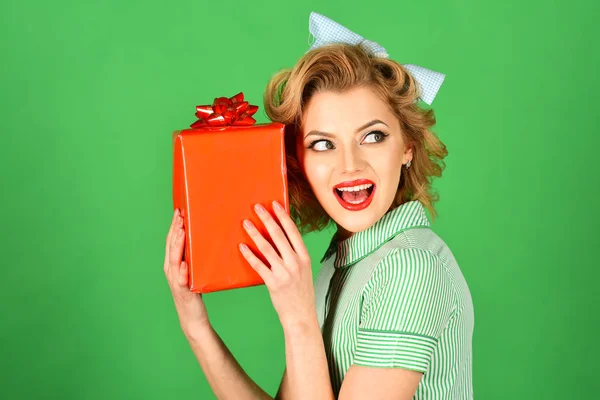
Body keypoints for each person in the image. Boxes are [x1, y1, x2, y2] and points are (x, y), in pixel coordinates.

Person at [164, 12, 473, 400]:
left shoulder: (410, 267)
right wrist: (195, 324)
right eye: (323, 144)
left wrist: (298, 319)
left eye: (373, 136)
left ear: (407, 147)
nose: (350, 165)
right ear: (297, 161)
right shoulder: (342, 260)